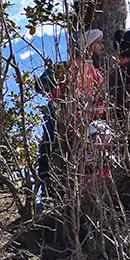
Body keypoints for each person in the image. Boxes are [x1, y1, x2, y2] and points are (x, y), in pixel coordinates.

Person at [37, 29, 109, 197]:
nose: (102, 47)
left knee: (51, 158)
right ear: (89, 47)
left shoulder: (80, 69)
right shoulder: (80, 70)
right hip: (70, 124)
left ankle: (51, 195)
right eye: (98, 43)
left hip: (72, 124)